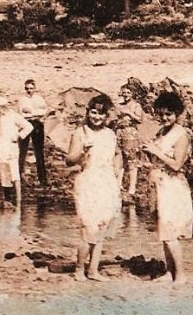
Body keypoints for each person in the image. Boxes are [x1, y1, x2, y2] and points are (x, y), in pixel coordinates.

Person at [66, 94, 121, 282]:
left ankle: (93, 270)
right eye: (94, 113)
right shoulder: (80, 133)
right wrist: (82, 151)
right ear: (88, 112)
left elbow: (116, 154)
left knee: (101, 227)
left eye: (101, 114)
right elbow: (69, 160)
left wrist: (117, 173)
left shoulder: (110, 134)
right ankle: (79, 269)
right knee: (88, 227)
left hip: (106, 182)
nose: (97, 117)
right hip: (88, 181)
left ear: (107, 116)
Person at [143, 91, 192, 284]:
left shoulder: (181, 135)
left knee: (170, 231)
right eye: (161, 114)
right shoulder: (161, 132)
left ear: (177, 113)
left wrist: (156, 151)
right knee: (163, 231)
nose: (164, 118)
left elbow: (177, 164)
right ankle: (169, 272)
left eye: (168, 114)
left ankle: (181, 275)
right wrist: (149, 153)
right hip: (160, 184)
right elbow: (158, 159)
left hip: (173, 186)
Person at [0, 97, 33, 208]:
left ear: (3, 107)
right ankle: (7, 199)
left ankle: (19, 200)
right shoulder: (0, 116)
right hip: (2, 147)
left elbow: (29, 126)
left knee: (14, 174)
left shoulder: (14, 115)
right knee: (4, 174)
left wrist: (19, 136)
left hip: (12, 147)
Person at [18, 79, 50, 188]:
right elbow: (22, 112)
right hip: (26, 123)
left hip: (37, 122)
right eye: (27, 89)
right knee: (22, 150)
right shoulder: (22, 99)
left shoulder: (39, 98)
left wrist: (32, 111)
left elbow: (44, 111)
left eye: (31, 88)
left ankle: (43, 179)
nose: (29, 91)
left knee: (39, 151)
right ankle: (18, 176)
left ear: (34, 88)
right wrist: (35, 111)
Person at [114, 85, 144, 202]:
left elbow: (140, 119)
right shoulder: (120, 105)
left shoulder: (136, 105)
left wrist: (129, 113)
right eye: (124, 92)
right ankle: (118, 184)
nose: (126, 94)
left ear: (132, 94)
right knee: (120, 160)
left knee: (132, 161)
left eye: (128, 92)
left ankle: (132, 188)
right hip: (119, 132)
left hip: (130, 133)